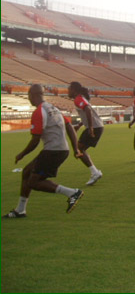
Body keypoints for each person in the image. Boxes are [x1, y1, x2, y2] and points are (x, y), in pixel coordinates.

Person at [3, 84, 84, 218]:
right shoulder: (53, 108)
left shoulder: (39, 112)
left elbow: (35, 140)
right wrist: (75, 148)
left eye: (28, 95)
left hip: (53, 152)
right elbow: (69, 126)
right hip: (59, 150)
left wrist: (21, 154)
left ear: (32, 95)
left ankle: (72, 193)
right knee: (27, 172)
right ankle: (20, 210)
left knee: (34, 182)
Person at [68, 81, 104, 185]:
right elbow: (86, 111)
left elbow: (88, 109)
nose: (68, 91)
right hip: (97, 126)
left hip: (95, 127)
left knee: (79, 150)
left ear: (74, 90)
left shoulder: (78, 99)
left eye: (69, 89)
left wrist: (91, 127)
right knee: (80, 150)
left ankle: (95, 172)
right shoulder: (81, 98)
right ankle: (95, 172)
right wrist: (80, 125)